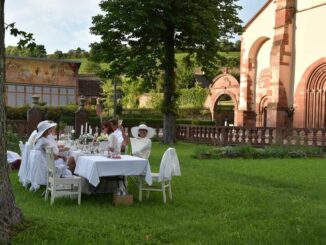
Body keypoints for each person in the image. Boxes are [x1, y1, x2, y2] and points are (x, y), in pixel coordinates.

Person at [28, 121, 72, 191]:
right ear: (45, 131)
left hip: (45, 162)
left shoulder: (40, 140)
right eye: (49, 129)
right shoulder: (44, 141)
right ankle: (69, 180)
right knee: (71, 159)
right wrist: (62, 157)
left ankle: (66, 178)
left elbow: (52, 153)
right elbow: (53, 156)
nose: (50, 130)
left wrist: (60, 153)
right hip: (49, 164)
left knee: (68, 158)